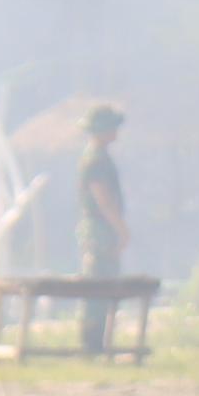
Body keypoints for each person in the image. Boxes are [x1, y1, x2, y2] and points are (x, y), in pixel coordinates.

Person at [73, 106, 129, 355]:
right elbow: (103, 199)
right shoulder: (95, 160)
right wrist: (121, 229)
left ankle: (98, 343)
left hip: (103, 227)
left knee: (106, 285)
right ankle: (91, 343)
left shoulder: (99, 157)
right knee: (97, 285)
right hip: (99, 229)